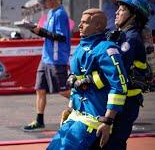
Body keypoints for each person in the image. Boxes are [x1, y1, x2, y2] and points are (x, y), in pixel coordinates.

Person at [47, 8, 128, 149]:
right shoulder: (80, 47)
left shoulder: (107, 49)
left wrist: (108, 121)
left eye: (84, 23)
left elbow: (119, 86)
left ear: (97, 26)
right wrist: (70, 108)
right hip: (76, 114)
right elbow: (77, 82)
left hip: (93, 118)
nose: (79, 26)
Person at [101, 0, 150, 150]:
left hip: (126, 103)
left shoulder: (131, 39)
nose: (116, 12)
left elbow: (116, 69)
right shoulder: (123, 35)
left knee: (114, 144)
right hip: (121, 101)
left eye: (121, 10)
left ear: (133, 16)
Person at [23, 0, 70, 131]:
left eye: (46, 0)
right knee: (40, 89)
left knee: (63, 91)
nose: (44, 3)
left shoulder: (61, 14)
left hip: (57, 59)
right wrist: (32, 28)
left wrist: (40, 31)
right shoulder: (50, 12)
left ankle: (88, 105)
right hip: (46, 58)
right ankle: (39, 120)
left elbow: (60, 37)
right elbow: (46, 34)